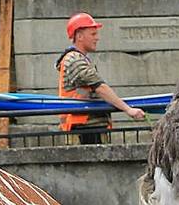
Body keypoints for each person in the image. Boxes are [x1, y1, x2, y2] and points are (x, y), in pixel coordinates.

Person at [57, 12, 146, 144]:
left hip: (87, 126)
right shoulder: (75, 60)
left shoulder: (79, 59)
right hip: (83, 128)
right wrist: (128, 109)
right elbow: (100, 88)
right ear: (79, 36)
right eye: (93, 34)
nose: (97, 38)